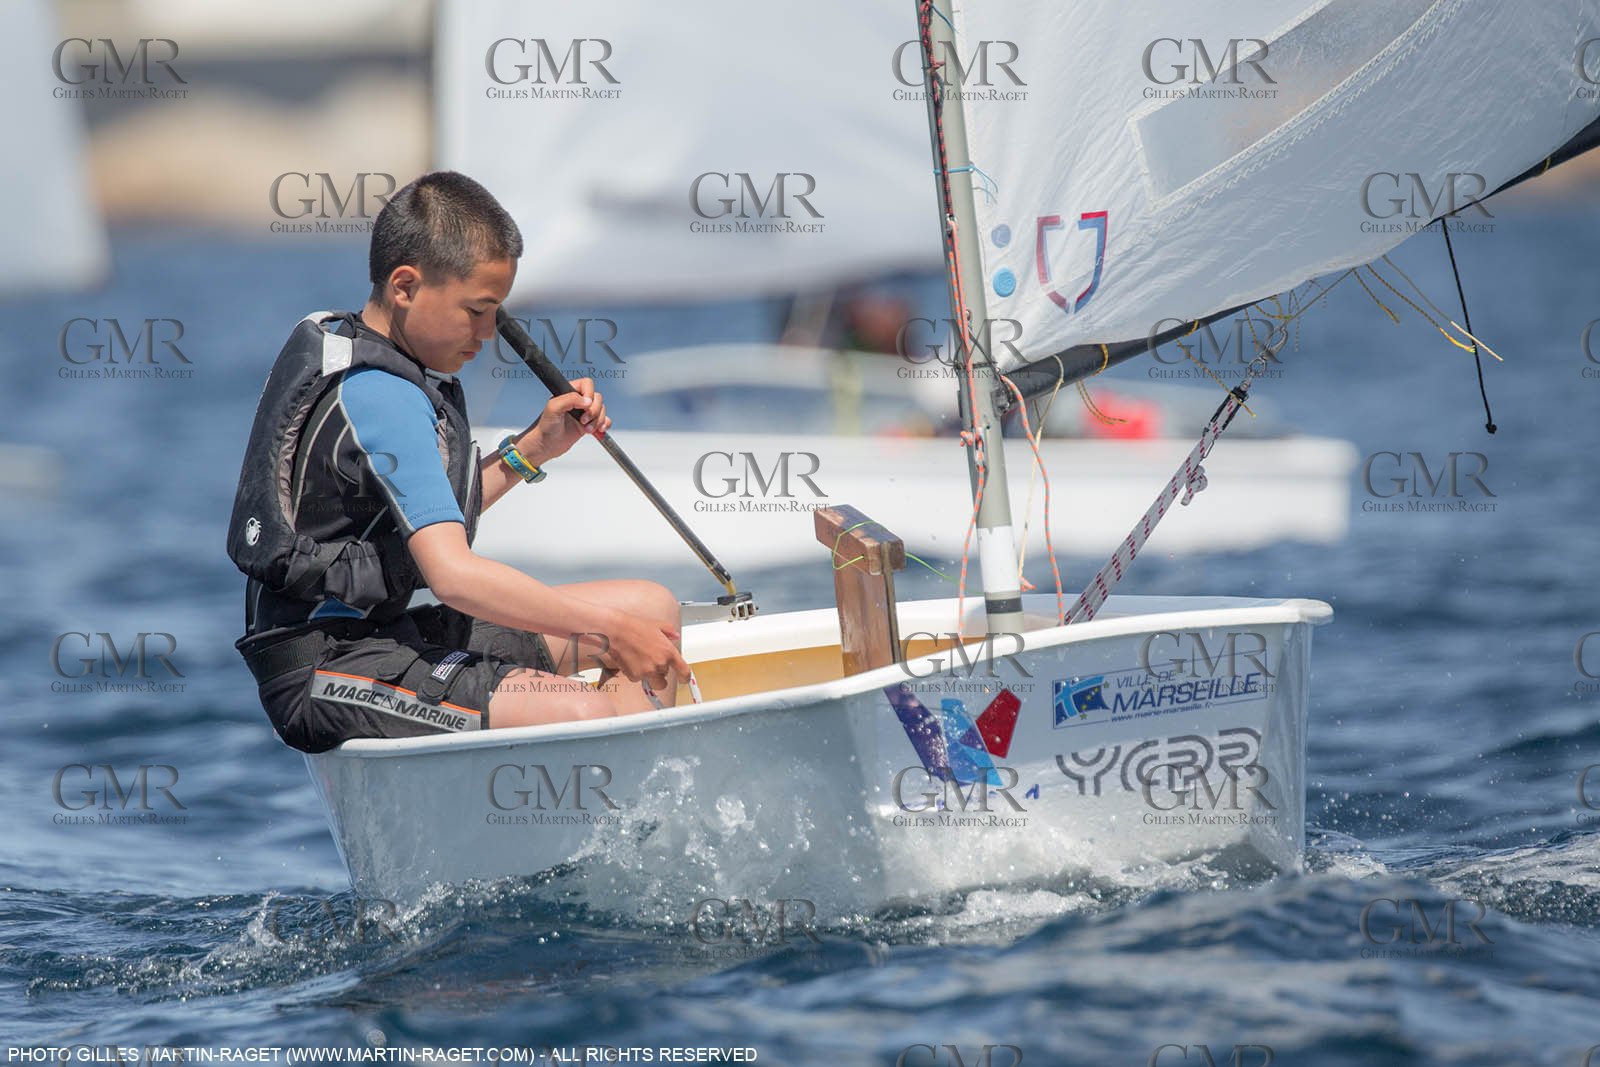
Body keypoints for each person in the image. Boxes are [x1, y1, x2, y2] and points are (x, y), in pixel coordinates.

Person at [225, 170, 689, 754]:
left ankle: (633, 812)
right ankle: (606, 815)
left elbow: (424, 517)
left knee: (652, 611)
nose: (490, 333)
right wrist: (613, 632)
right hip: (321, 668)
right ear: (405, 286)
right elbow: (454, 575)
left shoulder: (370, 360)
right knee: (585, 702)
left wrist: (532, 450)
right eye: (476, 310)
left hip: (385, 634)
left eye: (497, 311)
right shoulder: (379, 394)